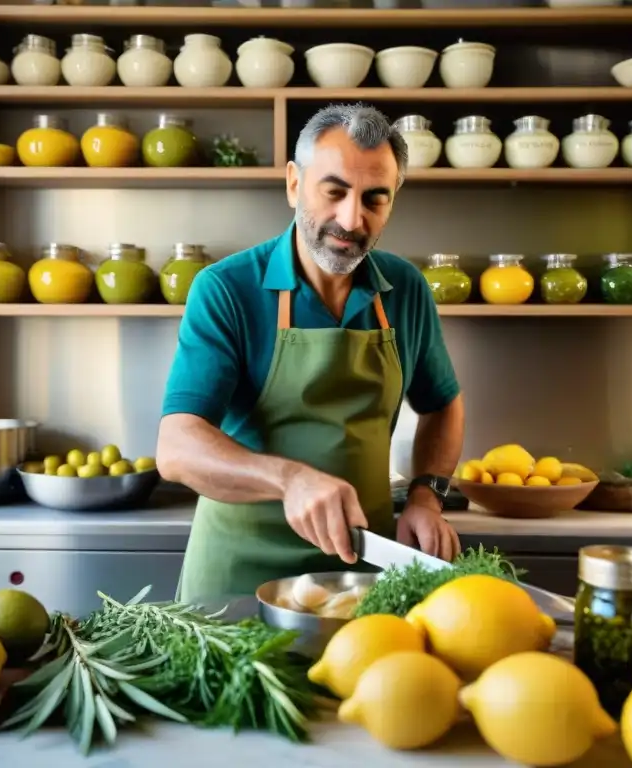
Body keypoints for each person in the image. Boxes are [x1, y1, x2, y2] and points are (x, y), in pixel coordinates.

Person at [157, 103, 465, 604]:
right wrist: (289, 479)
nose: (351, 218)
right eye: (335, 191)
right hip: (238, 581)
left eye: (374, 199)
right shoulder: (227, 289)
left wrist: (427, 497)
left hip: (361, 573)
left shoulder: (405, 289)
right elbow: (177, 447)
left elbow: (443, 403)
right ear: (294, 184)